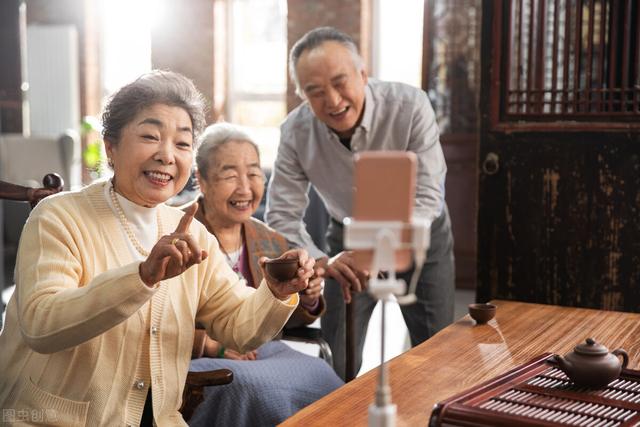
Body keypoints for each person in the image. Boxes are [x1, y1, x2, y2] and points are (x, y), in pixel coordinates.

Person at [0, 70, 315, 426]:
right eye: (150, 136)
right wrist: (142, 276)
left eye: (182, 144)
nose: (167, 155)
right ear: (111, 147)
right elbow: (42, 325)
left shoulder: (192, 234)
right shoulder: (58, 217)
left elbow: (238, 328)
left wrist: (275, 292)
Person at [265, 27, 455, 381]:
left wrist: (381, 247)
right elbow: (282, 214)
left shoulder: (410, 106)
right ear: (301, 94)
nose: (333, 100)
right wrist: (322, 262)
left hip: (420, 233)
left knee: (436, 348)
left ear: (363, 75)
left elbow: (428, 195)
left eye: (340, 82)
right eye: (315, 91)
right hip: (347, 235)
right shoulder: (295, 132)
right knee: (339, 351)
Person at [185, 122, 343, 426]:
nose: (245, 188)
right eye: (230, 175)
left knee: (321, 375)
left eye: (255, 174)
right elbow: (151, 319)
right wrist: (211, 345)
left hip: (261, 352)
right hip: (199, 356)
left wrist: (305, 298)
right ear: (201, 180)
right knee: (249, 389)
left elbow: (284, 319)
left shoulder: (270, 240)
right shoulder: (177, 232)